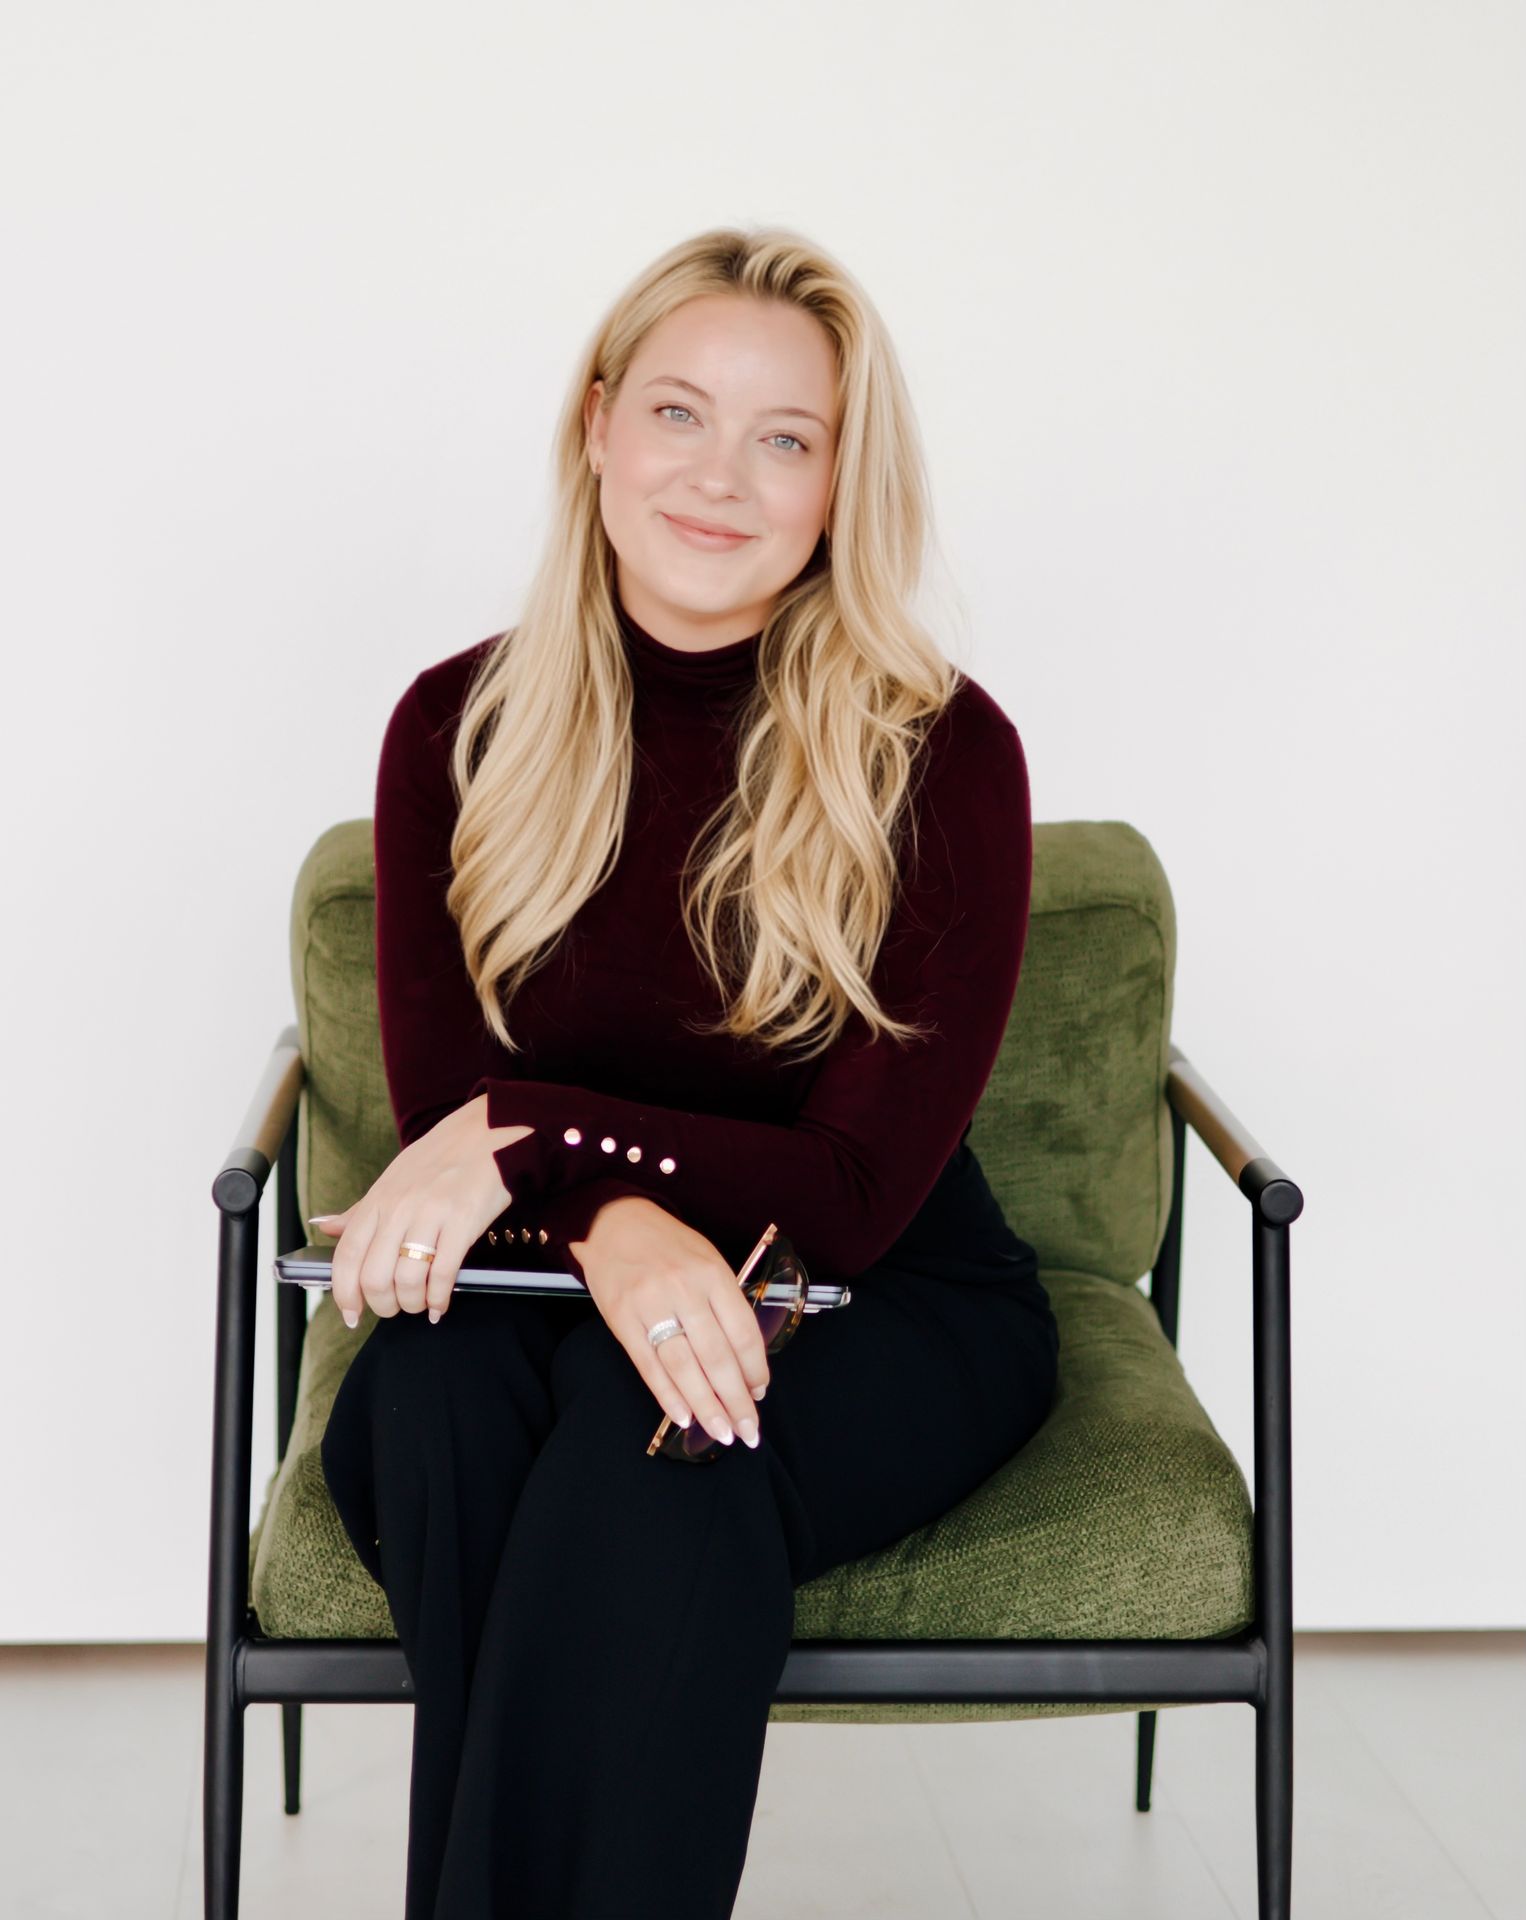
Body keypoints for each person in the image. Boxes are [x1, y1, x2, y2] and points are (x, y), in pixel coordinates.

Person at [316, 224, 1060, 1920]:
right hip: (546, 1282)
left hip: (879, 1296)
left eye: (784, 438)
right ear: (596, 426)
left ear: (838, 485)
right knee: (429, 1407)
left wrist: (547, 1142)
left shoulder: (940, 748)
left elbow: (853, 1196)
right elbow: (447, 1128)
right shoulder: (456, 725)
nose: (719, 476)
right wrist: (616, 1221)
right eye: (676, 413)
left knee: (659, 1447)